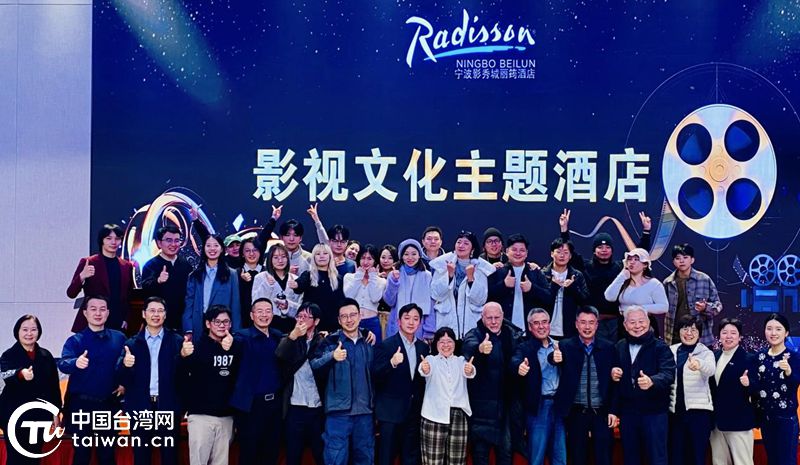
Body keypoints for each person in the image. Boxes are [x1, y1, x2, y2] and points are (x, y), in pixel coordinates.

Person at [558, 209, 652, 341]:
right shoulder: (585, 266)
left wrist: (646, 231)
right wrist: (564, 230)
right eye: (600, 247)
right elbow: (570, 253)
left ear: (612, 250)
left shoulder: (620, 267)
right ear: (594, 250)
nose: (604, 250)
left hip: (616, 322)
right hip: (592, 322)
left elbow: (640, 255)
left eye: (607, 247)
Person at [59, 295, 127, 465]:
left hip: (108, 405)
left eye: (102, 309)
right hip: (81, 405)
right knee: (81, 454)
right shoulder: (75, 340)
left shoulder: (119, 338)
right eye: (93, 309)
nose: (98, 313)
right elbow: (63, 364)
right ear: (85, 313)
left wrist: (124, 383)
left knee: (107, 454)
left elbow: (126, 365)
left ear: (108, 313)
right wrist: (76, 362)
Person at [117, 296, 184, 465]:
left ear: (165, 315)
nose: (156, 315)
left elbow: (185, 376)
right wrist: (126, 365)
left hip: (168, 407)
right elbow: (121, 378)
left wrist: (185, 357)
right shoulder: (132, 343)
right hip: (140, 408)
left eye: (160, 311)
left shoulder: (177, 341)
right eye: (152, 311)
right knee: (141, 457)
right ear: (143, 314)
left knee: (170, 457)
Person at [549, 306, 617, 465]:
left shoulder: (608, 347)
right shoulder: (565, 346)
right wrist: (554, 358)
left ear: (597, 325)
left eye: (591, 323)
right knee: (577, 457)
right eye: (583, 322)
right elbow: (553, 358)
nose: (587, 327)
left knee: (604, 458)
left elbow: (614, 383)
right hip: (576, 412)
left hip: (602, 412)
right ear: (576, 324)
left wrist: (613, 410)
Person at [310, 298, 375, 465]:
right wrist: (332, 356)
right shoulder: (330, 342)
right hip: (338, 413)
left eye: (353, 315)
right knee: (335, 459)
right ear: (339, 320)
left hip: (365, 412)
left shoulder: (368, 341)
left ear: (360, 316)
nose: (349, 319)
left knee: (365, 458)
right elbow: (314, 365)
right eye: (344, 316)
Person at [610, 306, 675, 465]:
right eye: (632, 322)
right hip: (628, 414)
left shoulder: (661, 347)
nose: (637, 326)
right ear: (625, 325)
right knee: (630, 458)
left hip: (654, 413)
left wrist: (652, 381)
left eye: (641, 321)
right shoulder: (619, 346)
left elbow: (668, 374)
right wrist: (612, 373)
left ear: (648, 322)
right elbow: (613, 383)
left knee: (657, 458)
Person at [178, 305, 241, 465]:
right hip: (200, 417)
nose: (222, 325)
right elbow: (179, 376)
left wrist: (233, 347)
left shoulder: (237, 346)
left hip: (226, 417)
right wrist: (183, 356)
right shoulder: (196, 346)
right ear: (208, 324)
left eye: (226, 322)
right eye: (217, 321)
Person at [462, 302, 521, 465]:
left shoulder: (513, 335)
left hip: (506, 408)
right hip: (481, 409)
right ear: (482, 318)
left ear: (503, 317)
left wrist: (519, 366)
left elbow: (518, 355)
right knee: (480, 456)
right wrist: (480, 350)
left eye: (497, 317)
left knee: (505, 456)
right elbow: (468, 349)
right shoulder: (474, 334)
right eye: (489, 318)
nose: (494, 322)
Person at [372, 303, 430, 465]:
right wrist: (391, 363)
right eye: (407, 318)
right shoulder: (386, 345)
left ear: (420, 323)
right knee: (386, 457)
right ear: (399, 321)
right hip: (390, 413)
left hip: (414, 413)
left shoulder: (423, 348)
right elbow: (375, 375)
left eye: (415, 319)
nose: (411, 322)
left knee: (410, 458)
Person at [0, 315, 61, 465]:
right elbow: (6, 375)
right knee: (16, 458)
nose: (29, 333)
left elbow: (53, 387)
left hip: (39, 416)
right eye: (25, 330)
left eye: (33, 329)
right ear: (17, 332)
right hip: (13, 416)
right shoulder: (9, 355)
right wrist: (21, 374)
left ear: (39, 332)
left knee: (34, 456)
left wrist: (56, 413)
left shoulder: (46, 356)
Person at [230, 298, 284, 465]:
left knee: (271, 453)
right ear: (251, 315)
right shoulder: (242, 337)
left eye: (268, 311)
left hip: (275, 405)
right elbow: (233, 346)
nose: (264, 315)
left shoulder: (278, 336)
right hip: (251, 406)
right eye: (259, 311)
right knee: (249, 453)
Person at [511, 308, 565, 465]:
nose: (541, 326)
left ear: (549, 324)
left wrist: (562, 360)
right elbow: (514, 362)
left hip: (560, 407)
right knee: (536, 458)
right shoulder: (524, 347)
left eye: (544, 322)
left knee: (560, 457)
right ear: (529, 327)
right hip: (538, 407)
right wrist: (519, 368)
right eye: (536, 323)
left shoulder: (560, 346)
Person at [276, 303, 326, 465]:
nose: (301, 320)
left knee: (320, 453)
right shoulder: (289, 339)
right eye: (299, 316)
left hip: (317, 406)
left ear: (316, 321)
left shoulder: (323, 341)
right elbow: (279, 355)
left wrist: (366, 332)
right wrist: (293, 336)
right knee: (293, 454)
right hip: (294, 406)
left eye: (306, 317)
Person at [419, 326, 476, 465]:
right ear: (436, 344)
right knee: (432, 460)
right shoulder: (431, 359)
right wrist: (424, 368)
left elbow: (469, 371)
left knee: (457, 460)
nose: (446, 345)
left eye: (449, 341)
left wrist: (470, 370)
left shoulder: (461, 361)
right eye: (442, 342)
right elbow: (424, 370)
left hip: (458, 416)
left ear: (455, 343)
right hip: (434, 415)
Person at [67, 223, 135, 332]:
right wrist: (82, 276)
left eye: (117, 239)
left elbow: (128, 297)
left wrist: (125, 318)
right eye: (109, 238)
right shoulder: (89, 262)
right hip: (92, 322)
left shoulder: (126, 266)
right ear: (102, 240)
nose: (113, 242)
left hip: (117, 323)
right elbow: (71, 293)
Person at [668, 315, 715, 465]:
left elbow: (711, 370)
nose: (689, 333)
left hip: (698, 414)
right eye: (685, 329)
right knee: (676, 457)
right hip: (675, 414)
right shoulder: (670, 351)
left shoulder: (706, 352)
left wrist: (699, 364)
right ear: (679, 331)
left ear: (699, 333)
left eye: (693, 330)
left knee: (696, 457)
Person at [429, 230, 495, 338]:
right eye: (459, 242)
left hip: (471, 326)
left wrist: (471, 279)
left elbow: (480, 300)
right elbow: (436, 295)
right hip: (446, 326)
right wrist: (449, 275)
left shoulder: (480, 267)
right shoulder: (442, 264)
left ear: (472, 249)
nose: (461, 246)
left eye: (466, 243)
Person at [709, 318, 757, 465]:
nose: (728, 336)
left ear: (740, 336)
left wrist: (749, 384)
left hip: (739, 422)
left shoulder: (748, 358)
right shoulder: (713, 356)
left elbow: (757, 389)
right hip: (716, 423)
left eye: (733, 333)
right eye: (724, 332)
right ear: (719, 335)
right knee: (719, 461)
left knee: (743, 462)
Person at [754, 313, 800, 465]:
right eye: (769, 329)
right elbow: (756, 387)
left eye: (778, 329)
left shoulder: (793, 357)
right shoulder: (759, 356)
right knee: (772, 460)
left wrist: (788, 372)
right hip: (766, 419)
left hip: (786, 419)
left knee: (786, 461)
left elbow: (795, 383)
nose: (773, 333)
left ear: (786, 333)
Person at [487, 233, 550, 331]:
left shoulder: (535, 272)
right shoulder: (497, 272)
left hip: (530, 330)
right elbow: (486, 298)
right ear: (507, 251)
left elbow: (549, 298)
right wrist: (503, 285)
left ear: (526, 253)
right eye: (514, 250)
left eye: (522, 250)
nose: (518, 253)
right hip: (504, 330)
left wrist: (532, 288)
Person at [663, 243, 723, 347]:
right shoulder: (668, 283)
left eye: (685, 257)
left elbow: (718, 305)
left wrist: (705, 308)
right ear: (673, 261)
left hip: (702, 338)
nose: (682, 261)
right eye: (678, 258)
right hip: (675, 337)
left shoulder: (704, 279)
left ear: (692, 260)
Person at [183, 234, 241, 337]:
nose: (212, 249)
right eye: (208, 245)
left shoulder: (231, 274)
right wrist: (188, 329)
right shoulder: (194, 275)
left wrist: (235, 332)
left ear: (222, 249)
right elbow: (189, 304)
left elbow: (235, 305)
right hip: (198, 325)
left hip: (221, 326)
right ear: (204, 249)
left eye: (216, 245)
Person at [604, 248, 668, 337]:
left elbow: (664, 307)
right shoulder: (623, 281)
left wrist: (638, 309)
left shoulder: (653, 284)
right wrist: (622, 276)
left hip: (645, 324)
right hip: (624, 324)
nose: (632, 262)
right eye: (629, 259)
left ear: (645, 264)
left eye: (636, 259)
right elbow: (609, 297)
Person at [141, 225, 193, 330]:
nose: (173, 244)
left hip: (181, 321)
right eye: (169, 240)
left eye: (177, 240)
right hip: (158, 321)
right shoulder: (151, 265)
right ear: (159, 243)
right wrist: (158, 281)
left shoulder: (186, 265)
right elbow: (146, 289)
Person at [384, 239, 434, 340]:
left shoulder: (427, 276)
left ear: (419, 255)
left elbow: (431, 305)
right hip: (397, 325)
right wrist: (394, 281)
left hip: (419, 327)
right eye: (406, 254)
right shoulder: (394, 274)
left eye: (414, 254)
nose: (410, 258)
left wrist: (429, 330)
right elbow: (389, 302)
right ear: (401, 256)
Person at [540, 238, 590, 339]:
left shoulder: (577, 275)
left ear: (570, 256)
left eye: (566, 252)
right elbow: (538, 301)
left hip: (570, 331)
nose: (562, 255)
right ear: (552, 254)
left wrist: (573, 288)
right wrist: (553, 287)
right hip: (545, 329)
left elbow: (585, 301)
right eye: (558, 252)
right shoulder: (542, 275)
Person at [290, 243, 345, 332]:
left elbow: (341, 301)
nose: (321, 256)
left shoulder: (338, 278)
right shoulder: (308, 275)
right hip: (311, 325)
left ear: (330, 256)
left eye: (325, 253)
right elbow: (300, 284)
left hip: (333, 325)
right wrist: (296, 285)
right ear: (313, 257)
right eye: (318, 254)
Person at [252, 243, 302, 334]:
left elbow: (300, 307)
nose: (280, 260)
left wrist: (287, 305)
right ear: (270, 259)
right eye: (275, 257)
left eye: (283, 257)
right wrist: (266, 285)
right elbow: (255, 302)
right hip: (268, 325)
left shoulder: (295, 279)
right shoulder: (261, 277)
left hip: (291, 325)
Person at [344, 244, 388, 343]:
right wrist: (359, 275)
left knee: (374, 351)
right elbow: (349, 297)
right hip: (352, 322)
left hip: (372, 322)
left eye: (370, 259)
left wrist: (373, 276)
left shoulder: (381, 281)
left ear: (375, 261)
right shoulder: (349, 277)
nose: (366, 262)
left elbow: (375, 298)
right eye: (363, 258)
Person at [307, 203, 357, 275]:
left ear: (347, 243)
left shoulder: (352, 265)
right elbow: (322, 235)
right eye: (335, 241)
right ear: (329, 241)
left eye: (342, 241)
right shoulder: (322, 263)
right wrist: (316, 220)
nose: (339, 245)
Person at [237, 237, 264, 324]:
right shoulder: (235, 273)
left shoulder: (268, 273)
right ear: (242, 254)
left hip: (265, 319)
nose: (251, 253)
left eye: (255, 250)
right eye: (247, 250)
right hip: (242, 320)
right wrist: (241, 281)